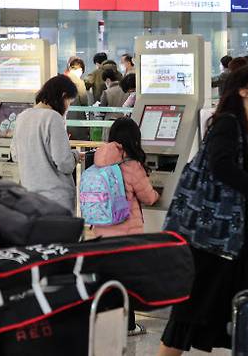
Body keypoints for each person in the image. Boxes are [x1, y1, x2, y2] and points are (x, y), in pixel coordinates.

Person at [159, 65, 248, 356]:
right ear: (243, 91)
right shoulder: (227, 124)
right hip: (215, 243)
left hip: (247, 247)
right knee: (188, 318)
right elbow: (221, 166)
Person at [92, 117, 159, 336]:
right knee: (126, 281)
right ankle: (128, 325)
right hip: (126, 235)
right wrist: (158, 193)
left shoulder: (99, 163)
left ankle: (103, 323)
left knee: (107, 279)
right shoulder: (131, 166)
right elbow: (148, 197)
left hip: (100, 231)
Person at [11, 75, 80, 213]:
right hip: (55, 200)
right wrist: (76, 155)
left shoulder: (22, 116)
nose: (68, 107)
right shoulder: (53, 118)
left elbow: (15, 155)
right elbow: (64, 163)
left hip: (30, 196)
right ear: (63, 95)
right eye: (69, 102)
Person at [64, 57, 90, 141]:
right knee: (79, 140)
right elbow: (84, 101)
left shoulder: (61, 79)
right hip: (76, 116)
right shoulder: (79, 82)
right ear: (80, 70)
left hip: (63, 116)